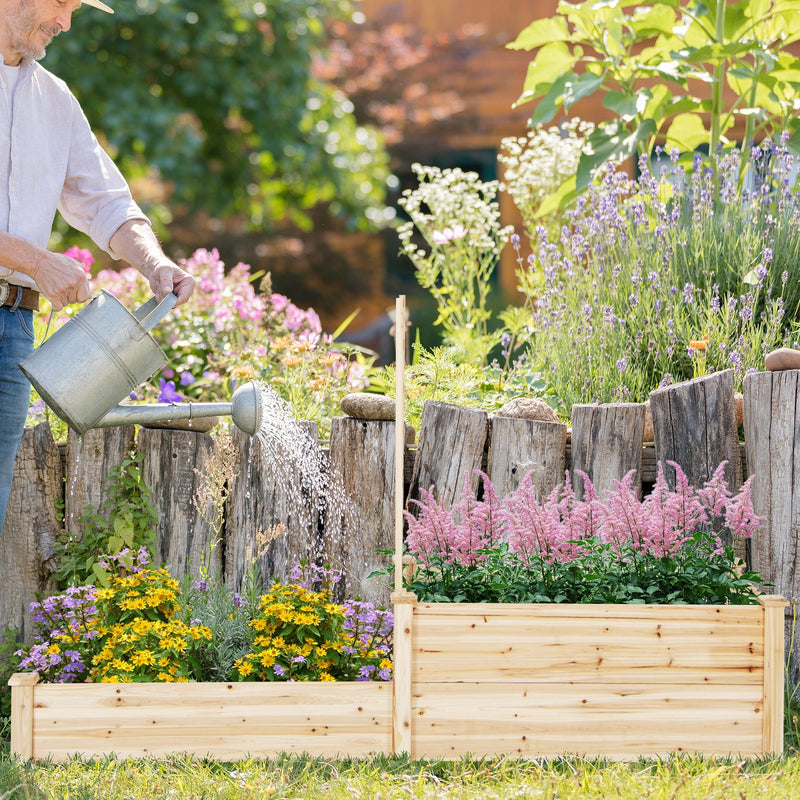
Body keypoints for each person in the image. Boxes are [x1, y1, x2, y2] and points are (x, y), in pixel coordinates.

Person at [0, 0, 195, 532]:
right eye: (62, 3)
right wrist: (35, 260)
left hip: (11, 327)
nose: (66, 22)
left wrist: (155, 264)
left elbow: (106, 202)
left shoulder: (54, 100)